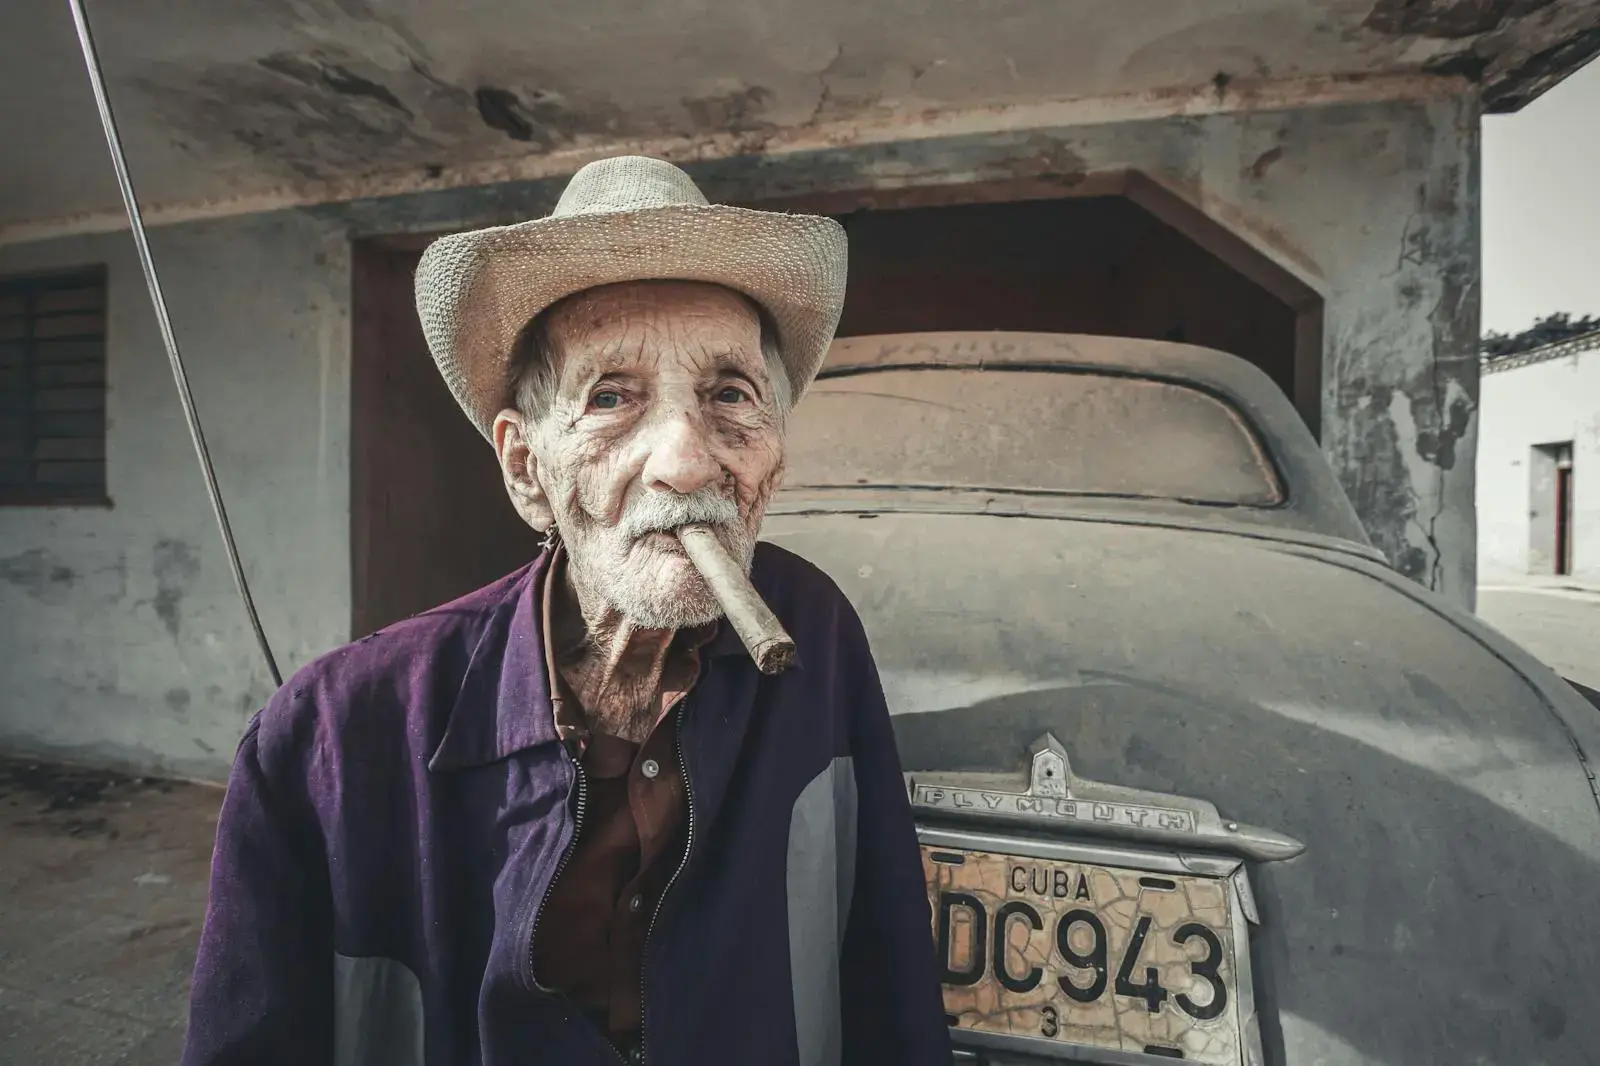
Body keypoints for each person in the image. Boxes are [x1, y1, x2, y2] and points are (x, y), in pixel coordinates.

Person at [181, 155, 952, 1066]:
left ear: (773, 456)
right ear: (524, 468)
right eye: (612, 397)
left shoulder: (814, 630)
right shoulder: (328, 738)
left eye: (730, 395)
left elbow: (884, 961)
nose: (689, 462)